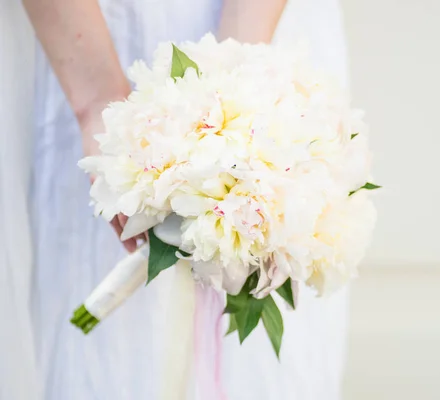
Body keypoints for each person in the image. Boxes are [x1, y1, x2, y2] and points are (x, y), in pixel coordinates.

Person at [0, 0, 351, 398]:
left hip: (267, 28)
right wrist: (98, 103)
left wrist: (243, 95)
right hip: (77, 40)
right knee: (93, 350)